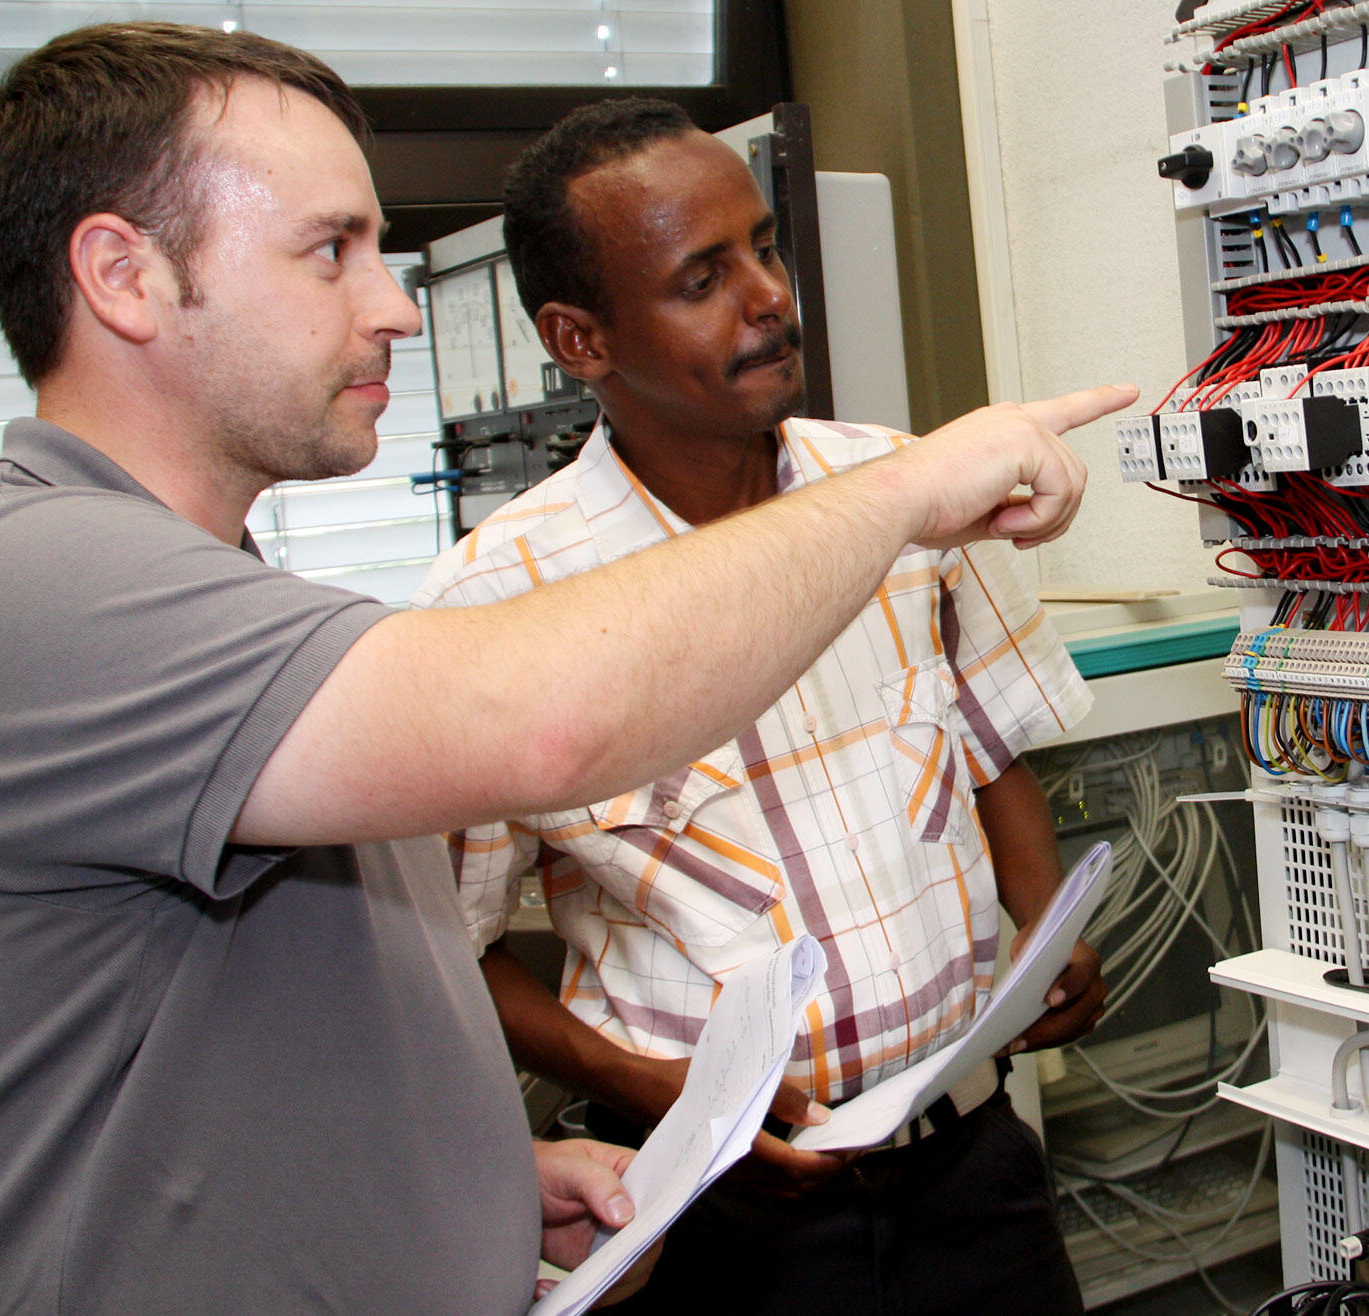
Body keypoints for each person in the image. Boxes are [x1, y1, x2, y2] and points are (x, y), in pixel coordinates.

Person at [0, 24, 1131, 1316]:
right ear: (124, 275)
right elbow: (546, 722)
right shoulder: (26, 589)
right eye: (332, 250)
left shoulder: (225, 612)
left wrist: (472, 1181)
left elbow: (242, 1058)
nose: (392, 304)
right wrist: (909, 491)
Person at [411, 98, 1108, 1316]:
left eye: (765, 248)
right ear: (580, 338)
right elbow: (449, 951)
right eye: (701, 278)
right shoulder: (496, 601)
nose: (768, 295)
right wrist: (652, 1085)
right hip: (719, 1217)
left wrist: (1045, 920)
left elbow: (989, 744)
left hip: (971, 1167)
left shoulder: (902, 492)